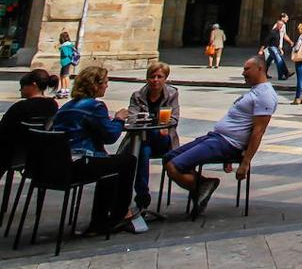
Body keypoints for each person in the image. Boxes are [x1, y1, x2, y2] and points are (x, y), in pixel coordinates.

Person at [163, 56, 277, 220]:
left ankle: (202, 186)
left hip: (226, 143)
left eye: (247, 69)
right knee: (168, 158)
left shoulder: (265, 95)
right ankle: (203, 185)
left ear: (260, 69)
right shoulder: (255, 91)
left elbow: (258, 131)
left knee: (174, 166)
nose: (243, 73)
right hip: (217, 138)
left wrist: (245, 163)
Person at [50, 66, 137, 235]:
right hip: (79, 162)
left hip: (58, 165)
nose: (106, 86)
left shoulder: (67, 106)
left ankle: (100, 220)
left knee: (110, 165)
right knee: (128, 161)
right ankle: (119, 215)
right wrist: (119, 119)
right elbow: (110, 136)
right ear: (95, 85)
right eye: (105, 82)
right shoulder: (95, 107)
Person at [125, 62, 180, 212]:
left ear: (165, 78)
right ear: (147, 78)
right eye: (152, 76)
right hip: (145, 140)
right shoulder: (137, 96)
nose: (155, 80)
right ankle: (143, 196)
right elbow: (131, 119)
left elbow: (174, 118)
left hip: (163, 139)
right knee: (143, 151)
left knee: (149, 140)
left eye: (159, 77)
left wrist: (162, 125)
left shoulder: (172, 94)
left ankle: (141, 198)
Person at [0, 68, 60, 147]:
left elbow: (3, 129)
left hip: (20, 151)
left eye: (23, 86)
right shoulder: (53, 105)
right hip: (45, 149)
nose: (20, 90)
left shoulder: (20, 107)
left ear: (33, 85)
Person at [263, 13, 292, 80]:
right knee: (279, 61)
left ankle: (263, 73)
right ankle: (283, 75)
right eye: (286, 17)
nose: (287, 19)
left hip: (276, 46)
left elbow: (284, 35)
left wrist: (290, 41)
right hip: (274, 46)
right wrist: (279, 47)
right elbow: (273, 36)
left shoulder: (283, 25)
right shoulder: (278, 25)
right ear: (282, 18)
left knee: (269, 61)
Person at [56, 30, 78, 98]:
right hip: (68, 62)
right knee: (65, 75)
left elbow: (66, 53)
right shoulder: (70, 45)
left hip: (65, 61)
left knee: (63, 76)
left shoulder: (64, 46)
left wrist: (60, 49)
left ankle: (63, 90)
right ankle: (66, 90)